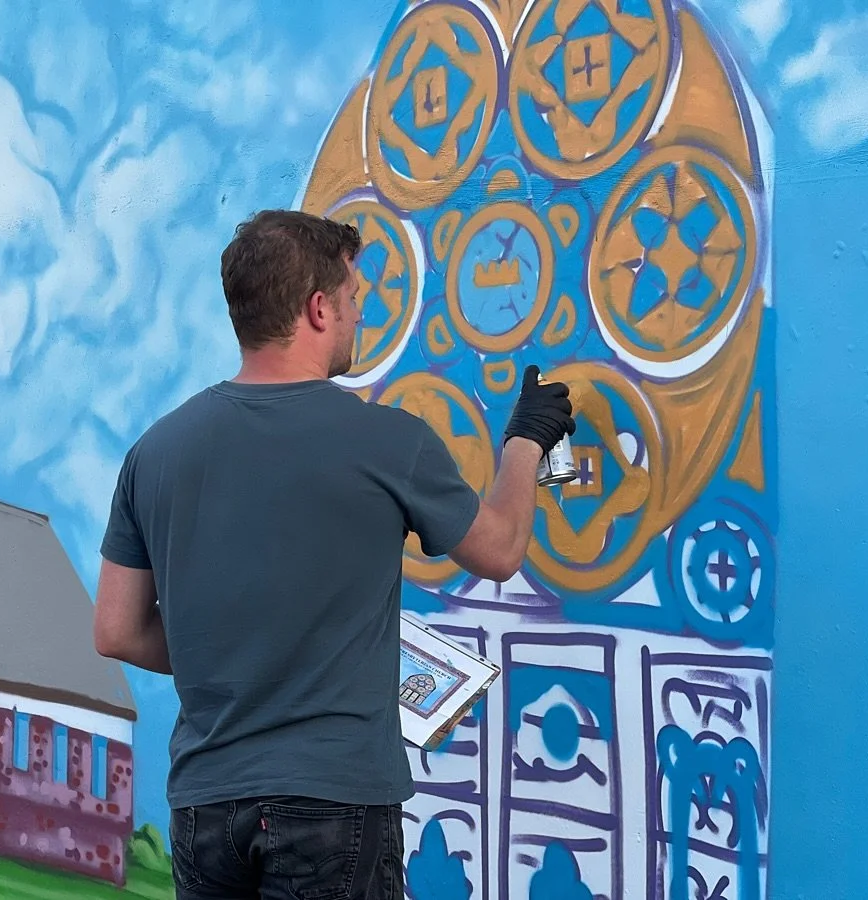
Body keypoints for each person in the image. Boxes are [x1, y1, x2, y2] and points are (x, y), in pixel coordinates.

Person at [93, 209, 576, 900]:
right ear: (317, 309)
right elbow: (498, 550)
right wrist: (526, 441)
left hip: (205, 806)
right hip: (332, 806)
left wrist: (235, 654)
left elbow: (115, 628)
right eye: (353, 300)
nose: (358, 316)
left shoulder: (156, 452)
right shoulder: (386, 443)